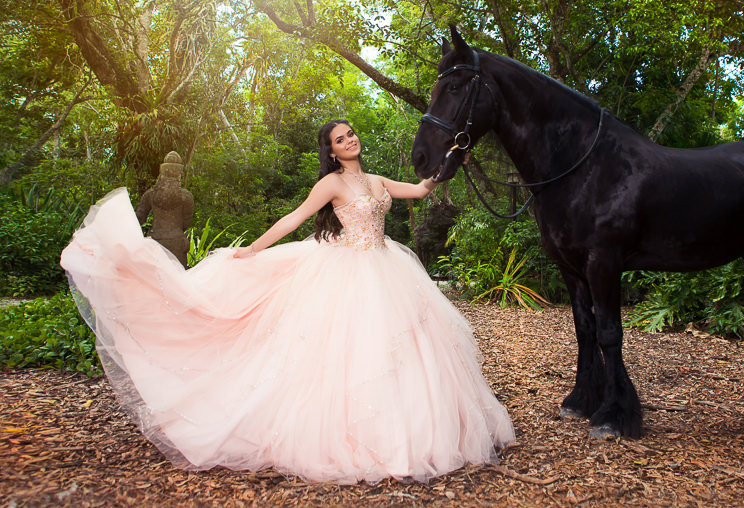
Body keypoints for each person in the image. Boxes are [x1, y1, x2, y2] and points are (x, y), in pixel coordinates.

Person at [60, 119, 515, 484]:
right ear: (332, 151)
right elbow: (294, 218)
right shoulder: (333, 184)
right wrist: (250, 250)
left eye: (352, 133)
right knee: (346, 354)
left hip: (385, 266)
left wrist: (451, 161)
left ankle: (412, 434)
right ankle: (363, 440)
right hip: (349, 273)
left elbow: (418, 190)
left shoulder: (376, 180)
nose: (350, 140)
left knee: (405, 349)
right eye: (341, 138)